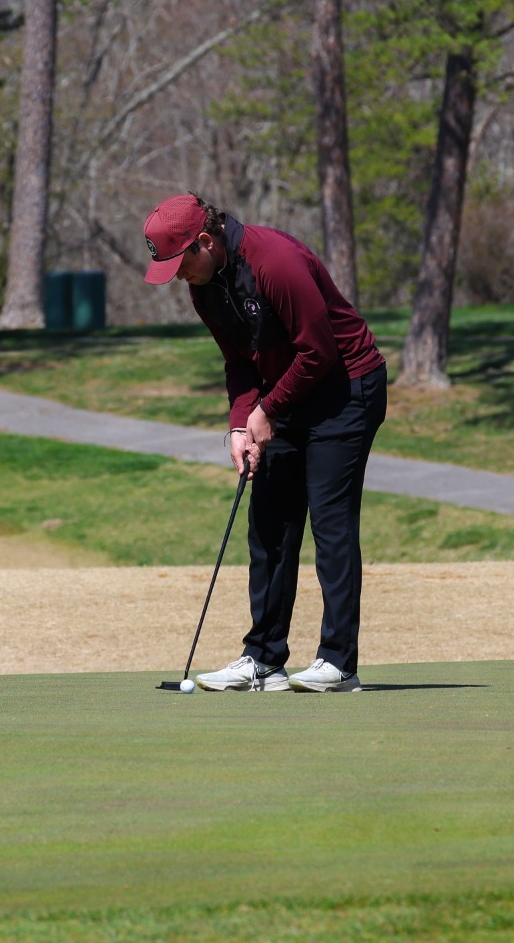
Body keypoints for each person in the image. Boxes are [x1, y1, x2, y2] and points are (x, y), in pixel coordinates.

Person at [143, 193, 386, 693]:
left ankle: (339, 663)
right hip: (287, 391)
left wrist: (267, 411)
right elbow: (239, 363)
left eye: (180, 263)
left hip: (346, 388)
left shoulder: (275, 261)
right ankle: (264, 659)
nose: (178, 277)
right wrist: (240, 424)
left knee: (330, 521)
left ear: (205, 242)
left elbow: (317, 352)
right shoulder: (204, 286)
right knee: (270, 523)